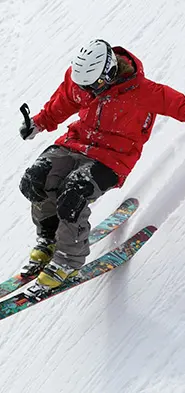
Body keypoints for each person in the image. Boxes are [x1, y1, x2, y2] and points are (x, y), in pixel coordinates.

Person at [18, 38, 185, 297]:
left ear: (109, 71)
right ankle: (49, 239)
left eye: (95, 85)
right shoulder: (83, 81)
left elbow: (180, 105)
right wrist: (39, 123)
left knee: (72, 195)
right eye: (84, 85)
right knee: (35, 180)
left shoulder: (145, 92)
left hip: (111, 158)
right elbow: (65, 100)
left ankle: (67, 260)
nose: (90, 91)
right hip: (75, 144)